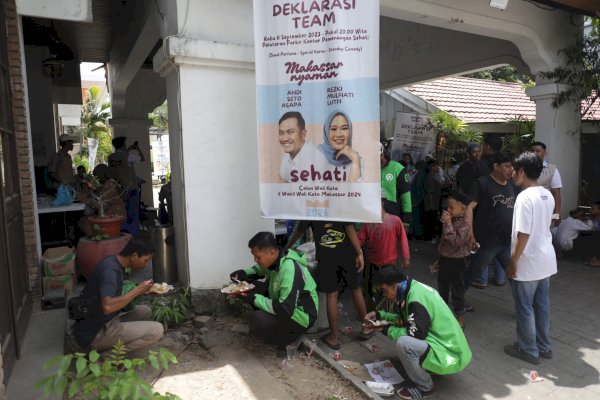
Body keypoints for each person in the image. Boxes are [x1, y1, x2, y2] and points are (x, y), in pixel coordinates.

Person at [366, 268, 471, 400]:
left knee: (404, 344)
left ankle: (426, 387)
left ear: (395, 286)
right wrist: (380, 314)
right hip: (450, 346)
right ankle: (428, 368)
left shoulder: (415, 299)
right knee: (406, 340)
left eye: (385, 290)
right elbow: (408, 318)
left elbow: (414, 334)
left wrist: (384, 329)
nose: (385, 295)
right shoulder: (411, 287)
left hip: (451, 354)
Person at [504, 151, 556, 365]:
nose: (512, 173)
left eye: (515, 170)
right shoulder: (546, 194)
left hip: (528, 262)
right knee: (541, 305)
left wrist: (513, 261)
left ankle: (528, 350)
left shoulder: (524, 197)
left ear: (522, 171)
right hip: (545, 260)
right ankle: (543, 347)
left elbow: (523, 234)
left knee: (524, 308)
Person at [229, 232, 318, 357]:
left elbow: (286, 308)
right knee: (251, 289)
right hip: (284, 304)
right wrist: (243, 273)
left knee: (258, 317)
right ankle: (278, 333)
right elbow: (258, 270)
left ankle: (289, 340)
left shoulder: (289, 269)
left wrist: (254, 298)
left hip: (301, 317)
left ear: (271, 252)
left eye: (258, 257)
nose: (256, 260)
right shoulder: (276, 259)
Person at [286, 220, 372, 349]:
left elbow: (300, 230)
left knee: (331, 295)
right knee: (356, 289)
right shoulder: (341, 200)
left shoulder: (311, 207)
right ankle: (366, 328)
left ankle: (334, 338)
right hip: (348, 252)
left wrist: (287, 247)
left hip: (327, 256)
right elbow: (349, 228)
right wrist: (359, 252)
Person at [72, 238, 163, 356]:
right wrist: (137, 290)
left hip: (104, 320)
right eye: (145, 260)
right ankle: (106, 357)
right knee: (157, 330)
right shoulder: (110, 271)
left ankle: (110, 345)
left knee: (145, 311)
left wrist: (143, 292)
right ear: (134, 256)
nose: (145, 264)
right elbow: (108, 306)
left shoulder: (114, 263)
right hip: (95, 332)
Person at [465, 151, 516, 290]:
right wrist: (470, 236)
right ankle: (457, 301)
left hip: (506, 242)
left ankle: (524, 308)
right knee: (472, 274)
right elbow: (468, 208)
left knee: (515, 276)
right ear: (496, 166)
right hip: (487, 242)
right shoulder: (482, 183)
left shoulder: (512, 185)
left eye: (512, 167)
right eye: (507, 166)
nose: (511, 170)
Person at [358, 199, 410, 310]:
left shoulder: (395, 220)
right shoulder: (368, 222)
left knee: (391, 289)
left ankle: (391, 311)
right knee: (374, 289)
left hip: (390, 264)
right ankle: (375, 311)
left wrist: (406, 257)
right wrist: (358, 254)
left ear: (382, 204)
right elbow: (359, 240)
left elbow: (403, 239)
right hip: (374, 264)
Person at [437, 191, 473, 328]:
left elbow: (455, 242)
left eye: (452, 208)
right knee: (443, 288)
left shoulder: (465, 225)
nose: (448, 210)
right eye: (448, 207)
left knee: (457, 289)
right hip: (445, 258)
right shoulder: (449, 221)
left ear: (462, 208)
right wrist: (439, 255)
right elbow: (443, 240)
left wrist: (448, 224)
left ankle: (459, 316)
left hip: (457, 261)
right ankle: (442, 313)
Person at [278, 111, 329, 182]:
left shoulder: (317, 159)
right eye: (281, 133)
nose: (285, 138)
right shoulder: (287, 157)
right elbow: (283, 183)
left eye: (291, 132)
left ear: (303, 134)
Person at [108, 137, 144, 236]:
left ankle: (122, 232)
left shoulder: (110, 157)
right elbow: (142, 159)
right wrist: (138, 148)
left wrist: (128, 150)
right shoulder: (128, 156)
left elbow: (120, 163)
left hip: (118, 189)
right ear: (123, 145)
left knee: (122, 211)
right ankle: (133, 234)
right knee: (133, 212)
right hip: (131, 188)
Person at [317, 111, 362, 182]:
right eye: (333, 129)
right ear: (326, 131)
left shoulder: (358, 161)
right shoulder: (315, 154)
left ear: (350, 131)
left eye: (344, 128)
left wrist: (355, 160)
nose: (339, 134)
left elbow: (355, 191)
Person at [380, 141, 412, 231]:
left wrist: (406, 221)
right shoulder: (369, 167)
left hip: (391, 215)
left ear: (382, 155)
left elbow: (405, 195)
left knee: (389, 244)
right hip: (372, 217)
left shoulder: (397, 168)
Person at [531, 141, 562, 226]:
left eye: (538, 151)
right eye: (532, 151)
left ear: (545, 153)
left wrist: (556, 215)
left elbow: (556, 193)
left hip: (545, 211)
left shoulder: (552, 170)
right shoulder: (524, 168)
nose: (534, 153)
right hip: (528, 209)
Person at [423, 158, 443, 243]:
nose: (438, 167)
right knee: (431, 220)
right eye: (436, 165)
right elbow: (430, 191)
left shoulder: (432, 176)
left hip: (433, 202)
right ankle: (429, 237)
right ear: (431, 167)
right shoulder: (430, 177)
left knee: (431, 219)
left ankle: (429, 236)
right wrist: (431, 204)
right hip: (431, 203)